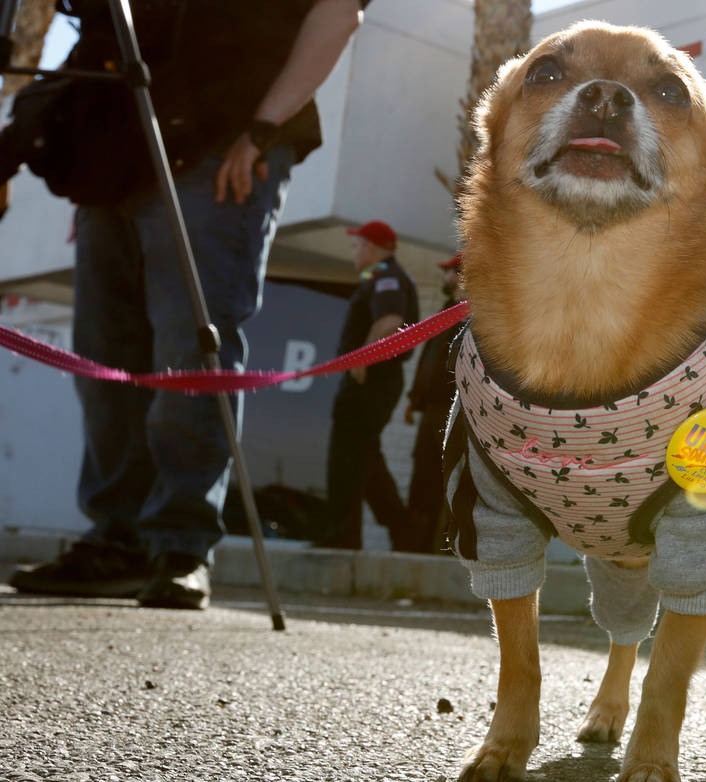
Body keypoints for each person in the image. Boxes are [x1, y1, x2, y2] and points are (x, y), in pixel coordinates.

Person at [8, 0, 368, 610]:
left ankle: (181, 544)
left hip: (222, 144)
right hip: (121, 158)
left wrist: (263, 128)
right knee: (106, 362)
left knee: (191, 350)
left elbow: (337, 12)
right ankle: (116, 542)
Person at [324, 220, 419, 550]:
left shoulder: (387, 276)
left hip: (370, 382)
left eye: (356, 246)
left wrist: (363, 358)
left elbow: (391, 320)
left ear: (370, 248)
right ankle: (403, 531)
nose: (353, 252)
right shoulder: (379, 277)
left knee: (347, 458)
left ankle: (341, 538)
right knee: (363, 460)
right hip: (373, 383)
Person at [402, 253, 464, 553]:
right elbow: (429, 361)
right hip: (431, 410)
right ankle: (415, 544)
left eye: (450, 272)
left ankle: (433, 546)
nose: (446, 278)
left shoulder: (473, 316)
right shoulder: (446, 311)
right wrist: (414, 399)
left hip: (450, 411)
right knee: (423, 475)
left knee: (439, 479)